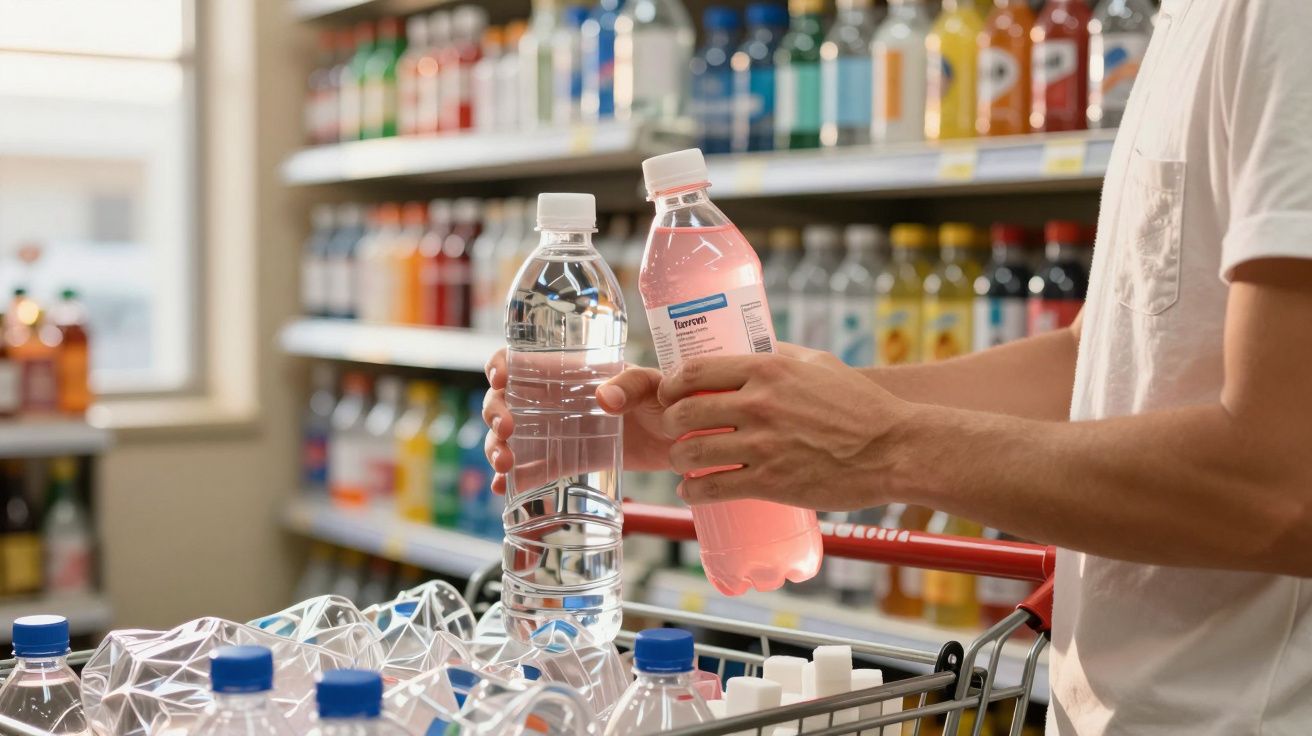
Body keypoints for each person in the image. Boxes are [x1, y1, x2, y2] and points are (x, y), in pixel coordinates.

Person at [483, 1, 1312, 732]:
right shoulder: (1183, 19)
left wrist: (888, 447)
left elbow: (1287, 488)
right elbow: (1088, 362)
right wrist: (732, 418)